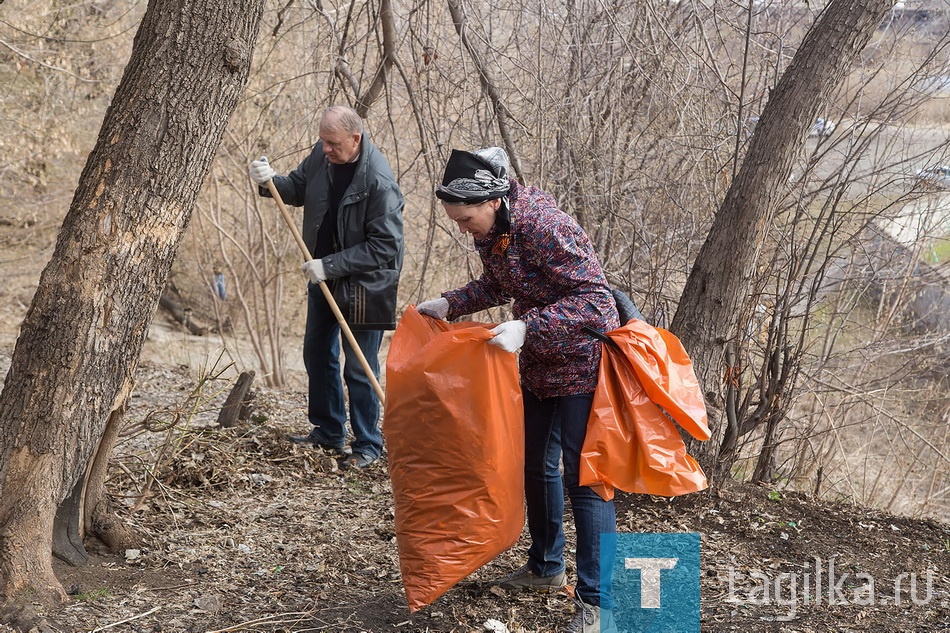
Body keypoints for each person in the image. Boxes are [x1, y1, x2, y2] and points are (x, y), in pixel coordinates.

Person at [416, 147, 619, 633]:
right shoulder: (495, 231)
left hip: (583, 363)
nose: (463, 229)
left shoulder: (545, 225)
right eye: (456, 221)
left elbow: (596, 300)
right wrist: (451, 302)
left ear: (493, 200)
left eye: (465, 219)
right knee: (534, 465)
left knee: (586, 481)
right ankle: (547, 567)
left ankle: (598, 604)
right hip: (538, 367)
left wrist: (528, 327)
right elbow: (497, 284)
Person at [248, 105, 404, 470]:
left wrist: (330, 264)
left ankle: (368, 443)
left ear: (355, 139)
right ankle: (329, 430)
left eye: (332, 143)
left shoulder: (379, 182)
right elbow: (298, 189)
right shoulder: (323, 156)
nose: (325, 149)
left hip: (367, 285)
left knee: (359, 366)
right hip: (323, 279)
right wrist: (268, 180)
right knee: (317, 354)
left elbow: (386, 246)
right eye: (322, 140)